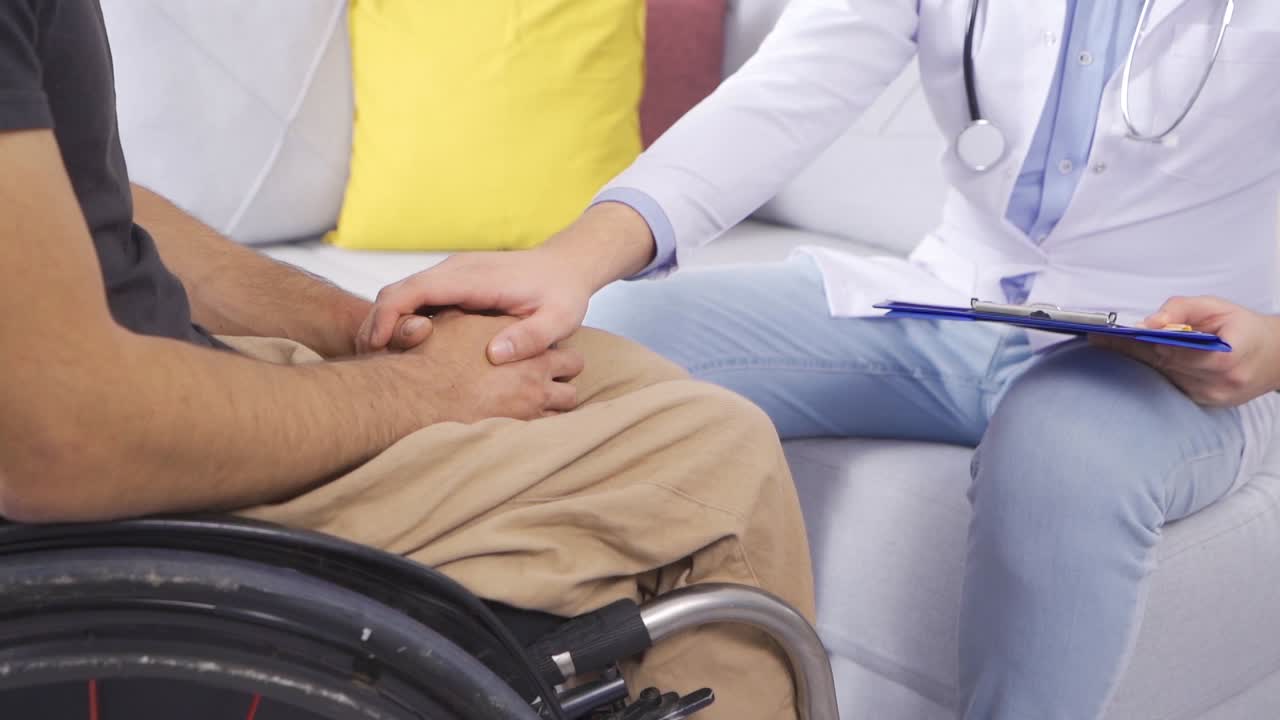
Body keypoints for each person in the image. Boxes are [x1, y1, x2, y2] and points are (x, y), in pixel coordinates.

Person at [358, 1, 1280, 718]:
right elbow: (786, 90)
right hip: (955, 296)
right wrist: (574, 262)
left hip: (1179, 348)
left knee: (1061, 454)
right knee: (608, 346)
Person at [0, 2, 816, 717]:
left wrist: (358, 328)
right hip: (120, 479)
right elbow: (60, 439)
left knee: (593, 371)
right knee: (717, 462)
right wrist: (418, 389)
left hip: (140, 364)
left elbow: (86, 198)